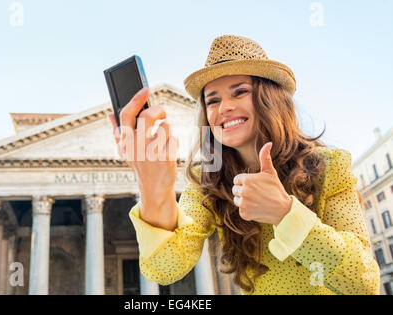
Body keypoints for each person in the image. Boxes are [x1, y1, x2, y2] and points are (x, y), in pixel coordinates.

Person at [108, 35, 380, 295]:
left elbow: (364, 284)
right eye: (212, 100)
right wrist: (154, 188)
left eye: (239, 92)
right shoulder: (209, 182)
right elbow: (165, 270)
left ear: (271, 100)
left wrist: (286, 213)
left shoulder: (330, 167)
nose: (223, 107)